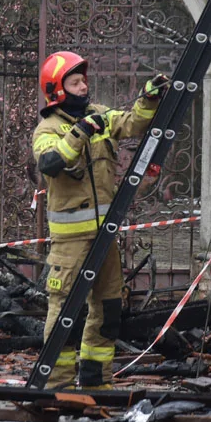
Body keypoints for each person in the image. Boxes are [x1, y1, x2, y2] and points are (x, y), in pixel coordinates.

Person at [31, 51, 167, 389]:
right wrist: (79, 133)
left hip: (105, 237)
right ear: (57, 89)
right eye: (75, 82)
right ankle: (57, 386)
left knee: (107, 309)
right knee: (66, 313)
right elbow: (50, 162)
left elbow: (131, 123)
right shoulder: (47, 129)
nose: (83, 87)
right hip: (71, 243)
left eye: (83, 80)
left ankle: (96, 383)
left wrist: (148, 98)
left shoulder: (100, 115)